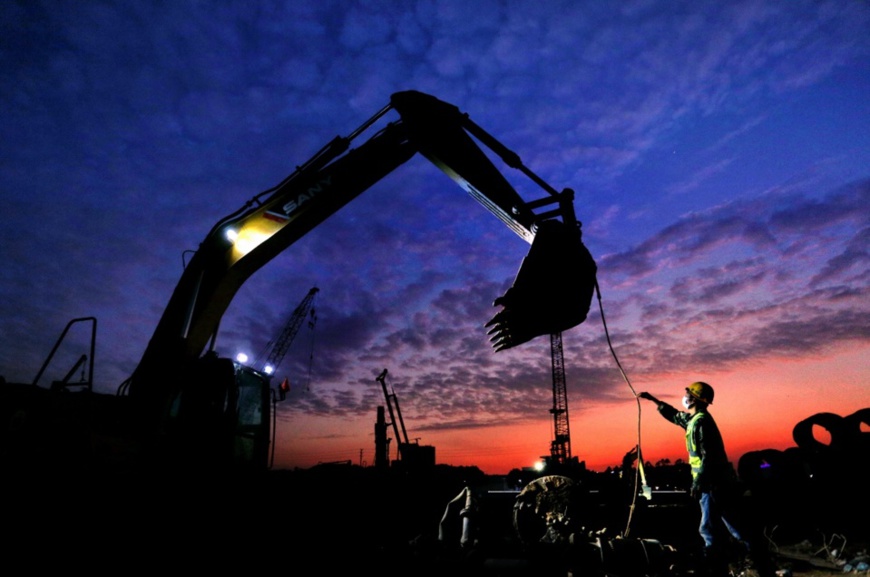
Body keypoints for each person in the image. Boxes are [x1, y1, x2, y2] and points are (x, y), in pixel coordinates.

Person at [638, 382, 772, 577]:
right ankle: (752, 559)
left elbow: (707, 455)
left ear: (695, 398)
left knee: (712, 526)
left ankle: (729, 562)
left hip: (713, 483)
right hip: (715, 482)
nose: (685, 396)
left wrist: (698, 482)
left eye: (688, 393)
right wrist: (654, 401)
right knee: (730, 524)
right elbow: (676, 416)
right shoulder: (694, 420)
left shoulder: (701, 422)